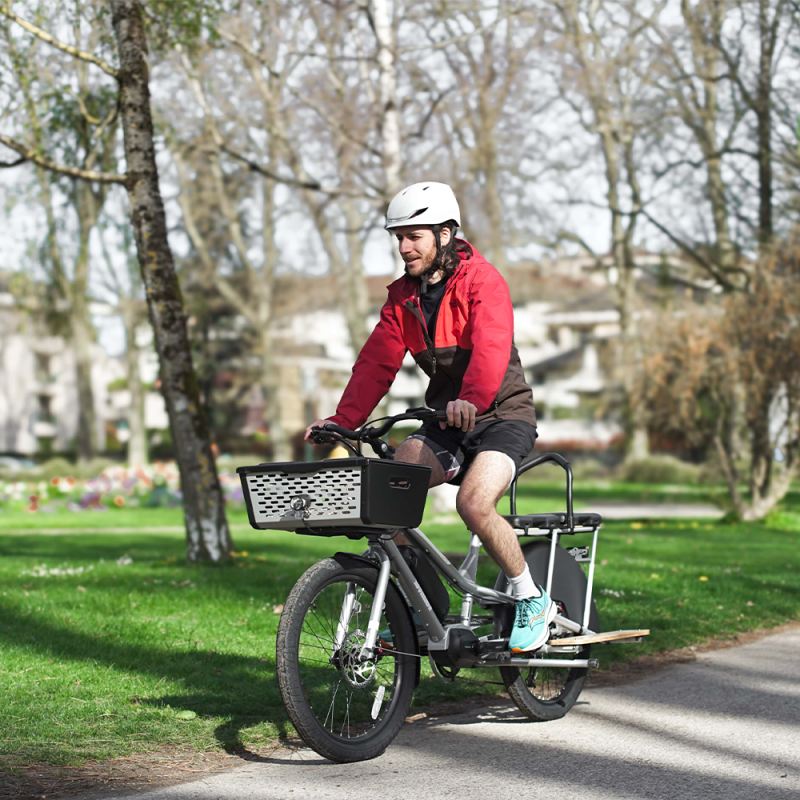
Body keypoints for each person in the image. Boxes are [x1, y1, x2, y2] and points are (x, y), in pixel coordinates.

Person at [305, 181, 554, 653]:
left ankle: (530, 598)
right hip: (447, 420)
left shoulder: (483, 280)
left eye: (413, 236)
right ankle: (424, 610)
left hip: (503, 416)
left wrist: (474, 398)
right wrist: (342, 419)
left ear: (444, 233)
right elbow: (376, 364)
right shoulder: (403, 297)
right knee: (387, 498)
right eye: (397, 237)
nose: (403, 247)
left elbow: (491, 346)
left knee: (475, 505)